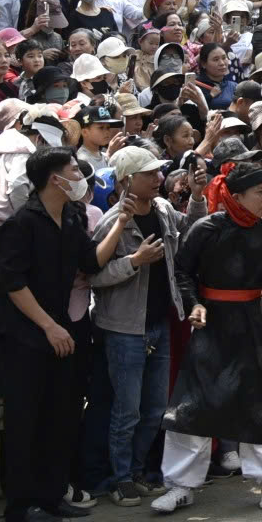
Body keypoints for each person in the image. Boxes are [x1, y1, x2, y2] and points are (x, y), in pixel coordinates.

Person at [152, 161, 262, 512]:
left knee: (261, 404)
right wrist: (193, 303)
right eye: (259, 192)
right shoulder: (206, 228)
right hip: (211, 324)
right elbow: (182, 270)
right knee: (192, 404)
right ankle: (181, 484)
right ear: (237, 194)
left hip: (255, 324)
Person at [0, 146, 98, 522]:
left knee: (62, 415)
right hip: (29, 336)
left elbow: (91, 260)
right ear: (54, 178)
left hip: (63, 332)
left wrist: (120, 219)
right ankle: (22, 504)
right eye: (72, 169)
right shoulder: (21, 224)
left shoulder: (71, 217)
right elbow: (12, 282)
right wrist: (48, 325)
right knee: (27, 419)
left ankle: (53, 495)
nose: (78, 174)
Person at [86, 144, 175, 500]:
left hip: (159, 325)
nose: (158, 179)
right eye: (149, 174)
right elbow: (94, 276)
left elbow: (189, 235)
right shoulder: (112, 223)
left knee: (154, 409)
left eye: (158, 172)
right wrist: (134, 262)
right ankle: (120, 477)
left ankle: (138, 470)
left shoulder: (165, 210)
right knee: (127, 410)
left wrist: (198, 198)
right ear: (125, 182)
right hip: (124, 329)